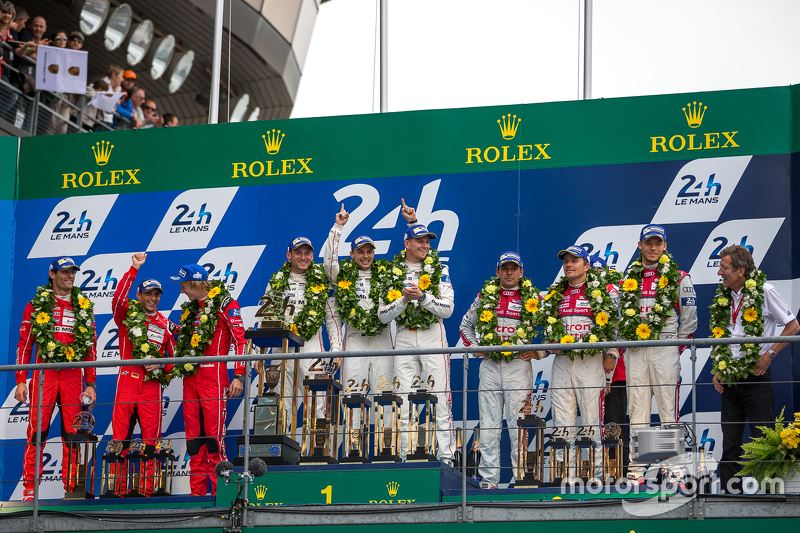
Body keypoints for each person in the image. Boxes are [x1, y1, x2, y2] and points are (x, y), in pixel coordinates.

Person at [711, 245, 799, 493]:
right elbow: (727, 335)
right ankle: (729, 493)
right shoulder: (725, 295)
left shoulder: (765, 290)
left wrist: (769, 354)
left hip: (756, 375)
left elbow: (793, 326)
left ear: (741, 270)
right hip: (729, 377)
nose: (719, 273)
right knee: (730, 439)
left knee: (764, 437)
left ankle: (770, 493)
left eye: (724, 268)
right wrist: (720, 366)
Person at [378, 200, 456, 463]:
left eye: (427, 241)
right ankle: (403, 456)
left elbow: (447, 310)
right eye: (419, 240)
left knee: (441, 399)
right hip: (404, 337)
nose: (424, 245)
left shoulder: (440, 269)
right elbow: (382, 315)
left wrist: (422, 298)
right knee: (403, 401)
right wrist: (402, 300)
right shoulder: (391, 271)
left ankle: (446, 457)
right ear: (407, 244)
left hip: (434, 335)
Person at [15, 257, 97, 502]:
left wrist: (91, 382)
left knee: (72, 434)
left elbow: (90, 348)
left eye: (73, 272)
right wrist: (21, 379)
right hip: (45, 374)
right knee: (36, 433)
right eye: (64, 272)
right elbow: (24, 345)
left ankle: (72, 490)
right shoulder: (36, 305)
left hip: (72, 376)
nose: (70, 276)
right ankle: (30, 491)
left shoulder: (84, 307)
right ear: (52, 274)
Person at [619, 225, 697, 482]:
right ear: (639, 245)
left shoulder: (679, 276)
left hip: (664, 346)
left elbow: (690, 320)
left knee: (667, 410)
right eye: (648, 243)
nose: (653, 248)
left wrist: (674, 346)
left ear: (665, 246)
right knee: (637, 410)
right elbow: (621, 318)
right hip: (636, 349)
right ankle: (637, 468)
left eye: (657, 243)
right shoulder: (628, 277)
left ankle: (674, 467)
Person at [536, 245, 620, 483]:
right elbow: (549, 333)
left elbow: (616, 327)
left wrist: (612, 353)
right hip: (562, 363)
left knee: (592, 420)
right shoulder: (556, 294)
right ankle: (568, 476)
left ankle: (596, 475)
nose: (569, 265)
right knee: (562, 423)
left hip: (590, 362)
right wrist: (541, 352)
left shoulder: (600, 291)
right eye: (566, 261)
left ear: (587, 265)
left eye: (575, 260)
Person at [459, 251, 538, 488]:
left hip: (518, 366)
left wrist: (540, 352)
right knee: (490, 424)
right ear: (498, 272)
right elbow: (465, 326)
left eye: (514, 268)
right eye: (505, 268)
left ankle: (521, 478)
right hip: (491, 367)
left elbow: (555, 328)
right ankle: (489, 479)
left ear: (521, 272)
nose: (509, 272)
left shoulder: (532, 298)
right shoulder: (485, 296)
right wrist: (474, 347)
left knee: (518, 426)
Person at [171, 264, 247, 496]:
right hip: (190, 380)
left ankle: (221, 493)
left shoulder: (225, 304)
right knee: (194, 441)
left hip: (214, 377)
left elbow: (241, 341)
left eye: (183, 285)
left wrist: (239, 375)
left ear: (195, 283)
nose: (181, 290)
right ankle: (197, 494)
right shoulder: (190, 310)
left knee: (215, 440)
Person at [322, 205, 394, 433]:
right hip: (354, 340)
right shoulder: (343, 276)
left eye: (369, 251)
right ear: (351, 254)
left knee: (387, 397)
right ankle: (354, 450)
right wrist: (338, 227)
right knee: (352, 397)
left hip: (383, 341)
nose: (365, 256)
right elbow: (328, 262)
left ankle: (387, 450)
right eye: (360, 252)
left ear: (374, 253)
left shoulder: (386, 275)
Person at [110, 253, 175, 496]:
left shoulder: (167, 325)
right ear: (139, 296)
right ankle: (116, 491)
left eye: (157, 294)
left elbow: (176, 361)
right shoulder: (127, 316)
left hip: (151, 388)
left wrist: (160, 365)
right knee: (120, 441)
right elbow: (117, 301)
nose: (153, 298)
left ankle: (148, 491)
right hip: (127, 381)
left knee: (151, 443)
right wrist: (133, 269)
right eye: (148, 293)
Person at [262, 237, 342, 433]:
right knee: (279, 404)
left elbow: (332, 318)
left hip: (311, 349)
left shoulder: (321, 282)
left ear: (312, 256)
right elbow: (265, 318)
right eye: (298, 253)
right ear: (289, 255)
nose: (303, 257)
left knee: (317, 404)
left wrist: (337, 348)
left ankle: (317, 455)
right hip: (281, 350)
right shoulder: (276, 281)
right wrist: (260, 351)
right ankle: (277, 455)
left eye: (307, 253)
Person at [590, 253, 630, 476]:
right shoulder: (582, 296)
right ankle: (599, 472)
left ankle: (617, 473)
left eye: (600, 272)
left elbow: (623, 330)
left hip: (616, 374)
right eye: (593, 273)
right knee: (595, 425)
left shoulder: (615, 293)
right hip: (588, 371)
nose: (596, 277)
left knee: (614, 425)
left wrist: (612, 356)